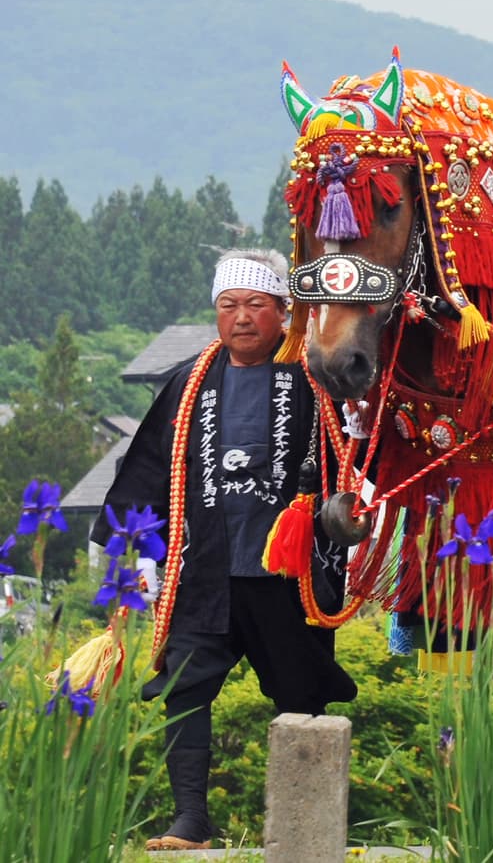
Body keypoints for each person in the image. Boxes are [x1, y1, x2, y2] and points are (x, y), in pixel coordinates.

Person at [95, 251, 356, 852]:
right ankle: (190, 820)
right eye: (228, 306)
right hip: (202, 570)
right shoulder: (188, 381)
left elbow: (356, 458)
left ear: (284, 313)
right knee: (183, 688)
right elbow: (149, 471)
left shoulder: (315, 379)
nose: (241, 318)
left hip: (288, 574)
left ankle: (311, 825)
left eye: (255, 305)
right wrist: (141, 555)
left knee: (303, 693)